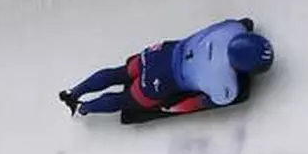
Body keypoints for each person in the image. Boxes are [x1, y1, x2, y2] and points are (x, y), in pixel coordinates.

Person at [58, 17, 274, 118]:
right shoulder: (225, 86)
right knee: (125, 100)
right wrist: (171, 109)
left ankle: (74, 92)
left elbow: (241, 22)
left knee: (119, 73)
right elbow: (197, 103)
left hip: (158, 53)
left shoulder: (232, 28)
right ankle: (84, 108)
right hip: (160, 83)